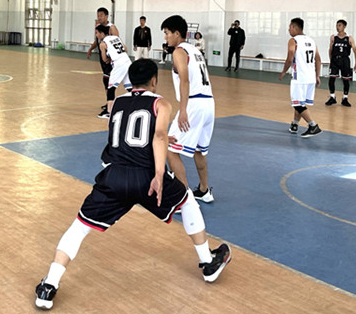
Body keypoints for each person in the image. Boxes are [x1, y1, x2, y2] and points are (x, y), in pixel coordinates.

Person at [34, 59, 231, 310]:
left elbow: (129, 133)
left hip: (113, 177)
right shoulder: (161, 103)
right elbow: (158, 135)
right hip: (145, 177)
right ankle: (208, 262)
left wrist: (160, 138)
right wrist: (159, 174)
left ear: (131, 80)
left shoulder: (116, 103)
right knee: (188, 202)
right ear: (154, 81)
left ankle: (49, 286)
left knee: (79, 227)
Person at [161, 15, 216, 203]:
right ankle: (204, 190)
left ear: (177, 33)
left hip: (193, 104)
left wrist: (183, 110)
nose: (166, 37)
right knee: (199, 150)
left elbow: (185, 80)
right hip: (209, 103)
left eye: (167, 33)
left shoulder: (179, 51)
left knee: (169, 149)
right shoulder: (195, 51)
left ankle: (183, 198)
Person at [278, 17, 323, 137]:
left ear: (294, 27)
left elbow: (290, 58)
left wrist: (283, 71)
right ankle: (295, 124)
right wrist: (317, 76)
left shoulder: (293, 40)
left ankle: (313, 126)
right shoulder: (312, 41)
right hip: (311, 77)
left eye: (289, 27)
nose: (288, 30)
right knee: (300, 102)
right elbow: (318, 59)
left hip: (300, 77)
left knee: (297, 104)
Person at [86, 7, 119, 118]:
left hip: (111, 59)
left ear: (106, 16)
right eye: (98, 15)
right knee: (106, 82)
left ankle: (112, 105)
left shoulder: (112, 28)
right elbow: (97, 41)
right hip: (103, 58)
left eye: (101, 15)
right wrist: (91, 49)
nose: (99, 17)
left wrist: (112, 56)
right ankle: (109, 102)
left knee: (109, 81)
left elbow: (117, 42)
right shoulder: (99, 27)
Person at [96, 24, 133, 113]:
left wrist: (109, 57)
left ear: (102, 33)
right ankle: (137, 105)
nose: (96, 35)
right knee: (130, 87)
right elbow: (125, 49)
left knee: (111, 87)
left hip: (119, 64)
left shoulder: (102, 43)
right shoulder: (116, 38)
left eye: (97, 33)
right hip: (127, 62)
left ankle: (109, 111)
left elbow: (105, 60)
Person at [325, 20, 356, 107]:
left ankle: (345, 98)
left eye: (339, 25)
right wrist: (331, 60)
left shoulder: (349, 38)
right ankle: (332, 97)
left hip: (345, 60)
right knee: (331, 79)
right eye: (337, 25)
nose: (337, 27)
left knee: (346, 80)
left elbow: (355, 51)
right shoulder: (333, 37)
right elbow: (330, 49)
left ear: (344, 27)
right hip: (335, 60)